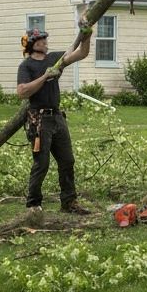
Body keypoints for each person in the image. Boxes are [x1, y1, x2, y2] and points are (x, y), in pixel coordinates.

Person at [16, 20, 92, 214]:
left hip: (57, 118)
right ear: (32, 44)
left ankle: (69, 202)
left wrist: (87, 34)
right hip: (39, 121)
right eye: (40, 39)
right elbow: (22, 92)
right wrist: (44, 77)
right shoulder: (26, 66)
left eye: (44, 38)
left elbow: (81, 53)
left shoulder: (54, 59)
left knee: (67, 160)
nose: (44, 41)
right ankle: (33, 205)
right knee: (41, 163)